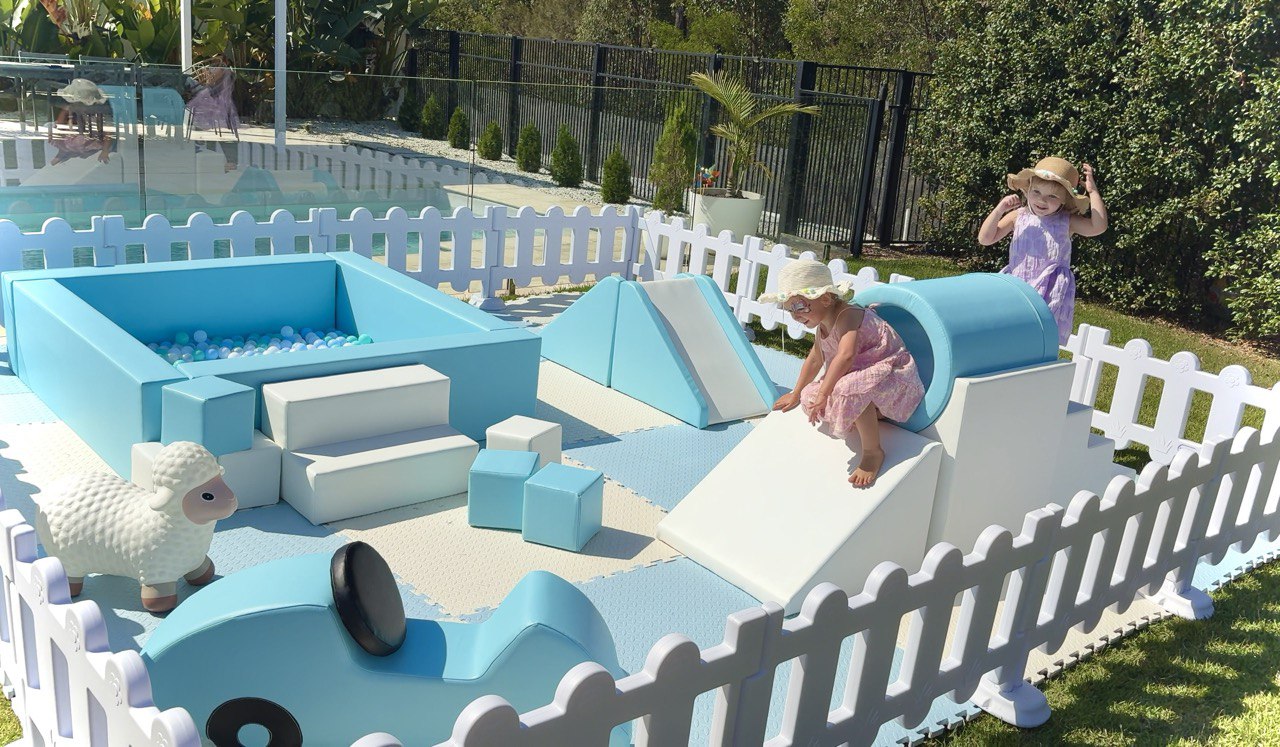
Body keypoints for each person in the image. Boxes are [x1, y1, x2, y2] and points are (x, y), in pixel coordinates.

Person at [764, 259, 925, 488]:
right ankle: (870, 412)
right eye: (789, 309)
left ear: (825, 299)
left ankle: (872, 451)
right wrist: (797, 392)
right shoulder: (822, 323)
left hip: (892, 375)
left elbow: (846, 356)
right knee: (810, 395)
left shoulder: (848, 315)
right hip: (861, 375)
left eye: (799, 306)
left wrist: (825, 394)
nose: (795, 315)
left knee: (845, 389)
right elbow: (815, 359)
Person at [977, 156, 1109, 345]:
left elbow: (1098, 227)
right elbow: (985, 239)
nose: (1042, 200)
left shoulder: (1067, 221)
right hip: (1018, 283)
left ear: (1064, 200)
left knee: (1038, 337)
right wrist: (1000, 209)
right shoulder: (1018, 216)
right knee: (1007, 331)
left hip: (1050, 290)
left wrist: (1093, 191)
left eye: (1052, 196)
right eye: (1036, 192)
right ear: (1028, 189)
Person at [49, 79, 112, 165]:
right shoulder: (72, 109)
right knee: (53, 130)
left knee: (79, 142)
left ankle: (78, 152)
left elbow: (107, 134)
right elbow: (61, 122)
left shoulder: (99, 116)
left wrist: (105, 151)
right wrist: (58, 133)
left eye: (76, 104)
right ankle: (62, 151)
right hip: (75, 133)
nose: (72, 106)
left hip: (90, 138)